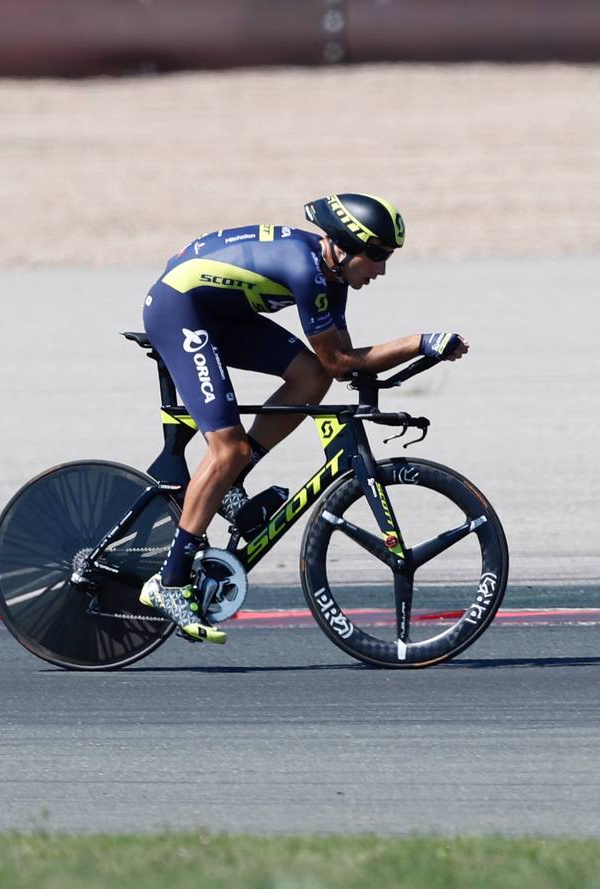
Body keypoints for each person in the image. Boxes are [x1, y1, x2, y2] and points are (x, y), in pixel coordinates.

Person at [137, 193, 468, 644]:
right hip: (179, 310)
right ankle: (170, 582)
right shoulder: (306, 270)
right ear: (346, 245)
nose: (381, 270)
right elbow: (341, 361)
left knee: (310, 377)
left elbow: (339, 364)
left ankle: (231, 483)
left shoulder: (332, 276)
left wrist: (408, 361)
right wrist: (419, 342)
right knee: (228, 448)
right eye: (378, 256)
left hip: (217, 313)